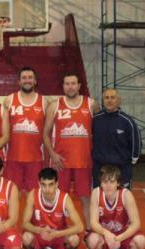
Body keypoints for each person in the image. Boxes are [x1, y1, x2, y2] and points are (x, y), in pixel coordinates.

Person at [43, 72, 100, 230]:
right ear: (63, 86)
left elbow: (99, 131)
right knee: (57, 198)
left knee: (85, 198)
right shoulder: (54, 105)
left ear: (79, 85)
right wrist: (53, 154)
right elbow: (45, 133)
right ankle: (57, 231)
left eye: (73, 83)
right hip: (61, 162)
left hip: (84, 161)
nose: (70, 86)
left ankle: (90, 232)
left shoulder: (91, 104)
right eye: (67, 83)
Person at [87, 165, 145, 249]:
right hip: (104, 234)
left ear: (118, 183)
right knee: (92, 241)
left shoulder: (126, 195)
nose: (108, 185)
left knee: (141, 242)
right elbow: (93, 223)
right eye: (105, 182)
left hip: (122, 234)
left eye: (112, 182)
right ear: (100, 183)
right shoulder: (96, 193)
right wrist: (107, 234)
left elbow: (136, 223)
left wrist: (119, 239)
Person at [22, 167, 83, 249]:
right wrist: (40, 230)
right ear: (39, 184)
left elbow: (80, 226)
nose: (47, 189)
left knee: (74, 239)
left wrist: (58, 233)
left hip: (58, 235)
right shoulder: (33, 194)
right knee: (25, 238)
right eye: (43, 184)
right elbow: (24, 223)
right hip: (39, 235)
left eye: (50, 184)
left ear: (56, 184)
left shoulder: (64, 198)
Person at [4, 66, 47, 192]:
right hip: (13, 158)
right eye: (24, 78)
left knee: (33, 196)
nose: (27, 80)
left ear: (35, 81)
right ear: (19, 81)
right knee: (12, 195)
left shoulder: (44, 102)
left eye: (30, 78)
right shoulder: (9, 100)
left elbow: (49, 132)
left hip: (36, 159)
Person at [92, 88, 141, 189]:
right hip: (100, 167)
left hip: (121, 167)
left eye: (113, 98)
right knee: (99, 199)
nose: (109, 100)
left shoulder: (127, 121)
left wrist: (133, 160)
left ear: (118, 100)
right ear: (103, 100)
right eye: (106, 98)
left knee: (123, 198)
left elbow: (136, 141)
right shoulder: (95, 120)